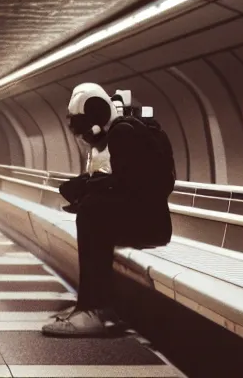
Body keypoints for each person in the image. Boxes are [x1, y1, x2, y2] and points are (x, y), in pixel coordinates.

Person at [42, 83, 174, 337]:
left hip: (151, 227)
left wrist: (84, 187)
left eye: (83, 129)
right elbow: (125, 183)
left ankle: (92, 309)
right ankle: (98, 307)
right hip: (151, 221)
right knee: (93, 211)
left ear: (95, 119)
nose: (83, 137)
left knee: (92, 213)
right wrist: (86, 188)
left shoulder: (124, 133)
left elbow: (131, 183)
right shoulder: (124, 132)